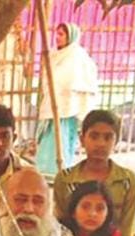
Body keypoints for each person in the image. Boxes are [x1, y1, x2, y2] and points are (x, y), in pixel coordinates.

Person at [53, 110, 135, 236]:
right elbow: (60, 229)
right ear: (82, 138)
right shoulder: (65, 180)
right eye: (94, 136)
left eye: (108, 137)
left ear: (116, 140)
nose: (101, 143)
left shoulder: (127, 181)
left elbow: (126, 231)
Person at [35, 22, 99, 176]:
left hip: (67, 107)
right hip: (53, 104)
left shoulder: (77, 56)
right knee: (48, 138)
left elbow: (71, 79)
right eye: (56, 34)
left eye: (61, 34)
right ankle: (44, 170)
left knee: (61, 139)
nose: (57, 38)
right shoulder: (55, 55)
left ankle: (58, 170)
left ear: (70, 36)